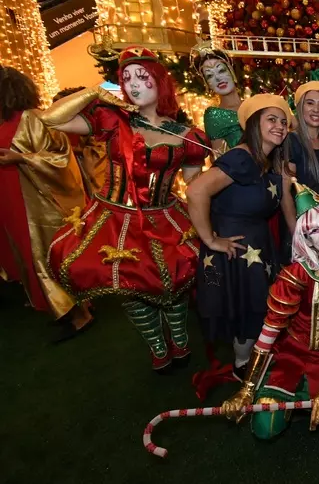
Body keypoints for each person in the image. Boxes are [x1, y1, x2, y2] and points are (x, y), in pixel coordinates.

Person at [41, 46, 211, 372]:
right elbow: (51, 118)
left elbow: (195, 186)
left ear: (160, 83)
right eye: (126, 78)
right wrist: (96, 91)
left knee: (174, 283)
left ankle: (179, 340)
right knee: (129, 284)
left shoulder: (187, 135)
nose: (133, 85)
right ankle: (157, 347)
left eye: (142, 77)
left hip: (164, 216)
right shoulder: (112, 119)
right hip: (115, 218)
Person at [221, 183, 319, 442]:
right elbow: (271, 328)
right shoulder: (296, 274)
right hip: (293, 356)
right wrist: (247, 389)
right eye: (314, 231)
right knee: (264, 428)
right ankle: (284, 393)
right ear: (306, 240)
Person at [186, 94, 291, 380]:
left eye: (283, 121)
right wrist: (209, 240)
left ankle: (253, 358)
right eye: (272, 119)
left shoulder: (268, 161)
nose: (280, 126)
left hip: (256, 246)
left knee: (256, 305)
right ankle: (242, 366)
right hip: (235, 250)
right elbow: (196, 191)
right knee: (245, 308)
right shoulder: (241, 156)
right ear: (254, 123)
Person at [0, 67, 91, 339]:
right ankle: (62, 308)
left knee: (44, 253)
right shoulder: (5, 123)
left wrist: (22, 159)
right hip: (12, 199)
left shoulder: (34, 119)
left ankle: (81, 314)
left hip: (35, 201)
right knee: (29, 256)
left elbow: (61, 159)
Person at [283, 81, 319, 229]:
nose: (316, 109)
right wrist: (296, 232)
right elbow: (285, 193)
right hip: (304, 226)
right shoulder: (291, 141)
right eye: (310, 103)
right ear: (300, 108)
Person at [191, 43, 242, 155]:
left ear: (231, 70)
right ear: (207, 84)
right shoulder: (214, 115)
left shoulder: (254, 104)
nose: (218, 78)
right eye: (210, 76)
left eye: (221, 71)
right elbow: (221, 161)